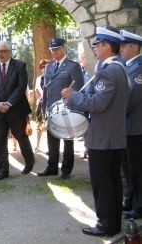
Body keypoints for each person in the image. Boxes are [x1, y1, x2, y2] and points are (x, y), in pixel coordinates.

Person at [61, 25, 129, 237]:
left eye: (98, 45)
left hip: (103, 137)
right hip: (112, 135)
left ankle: (106, 224)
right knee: (113, 183)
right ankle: (112, 222)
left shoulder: (109, 71)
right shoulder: (119, 67)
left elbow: (98, 103)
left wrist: (72, 96)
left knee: (103, 183)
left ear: (107, 45)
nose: (95, 49)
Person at [0, 40, 34, 180]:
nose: (0, 54)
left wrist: (9, 104)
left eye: (3, 51)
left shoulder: (19, 65)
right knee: (0, 141)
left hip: (16, 110)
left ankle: (29, 162)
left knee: (21, 137)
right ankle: (3, 170)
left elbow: (21, 86)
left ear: (9, 51)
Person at [37, 38, 84, 179]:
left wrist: (74, 109)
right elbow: (46, 90)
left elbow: (78, 89)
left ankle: (66, 170)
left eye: (57, 49)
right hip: (52, 109)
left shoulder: (73, 66)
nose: (54, 52)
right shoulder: (49, 66)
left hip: (66, 110)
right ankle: (52, 167)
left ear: (64, 49)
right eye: (52, 49)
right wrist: (44, 108)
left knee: (67, 141)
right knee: (51, 140)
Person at [119, 30, 142, 220]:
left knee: (137, 169)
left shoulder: (139, 68)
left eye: (124, 46)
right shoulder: (127, 66)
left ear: (134, 47)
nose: (121, 49)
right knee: (127, 168)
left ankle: (139, 205)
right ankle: (131, 200)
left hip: (136, 127)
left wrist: (113, 113)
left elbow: (132, 98)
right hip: (127, 126)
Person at [34, 59, 50, 152]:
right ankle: (37, 145)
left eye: (46, 66)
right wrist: (40, 100)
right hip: (40, 105)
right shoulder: (39, 79)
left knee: (49, 127)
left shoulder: (52, 78)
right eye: (42, 67)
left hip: (50, 105)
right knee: (39, 126)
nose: (44, 68)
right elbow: (37, 91)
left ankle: (49, 147)